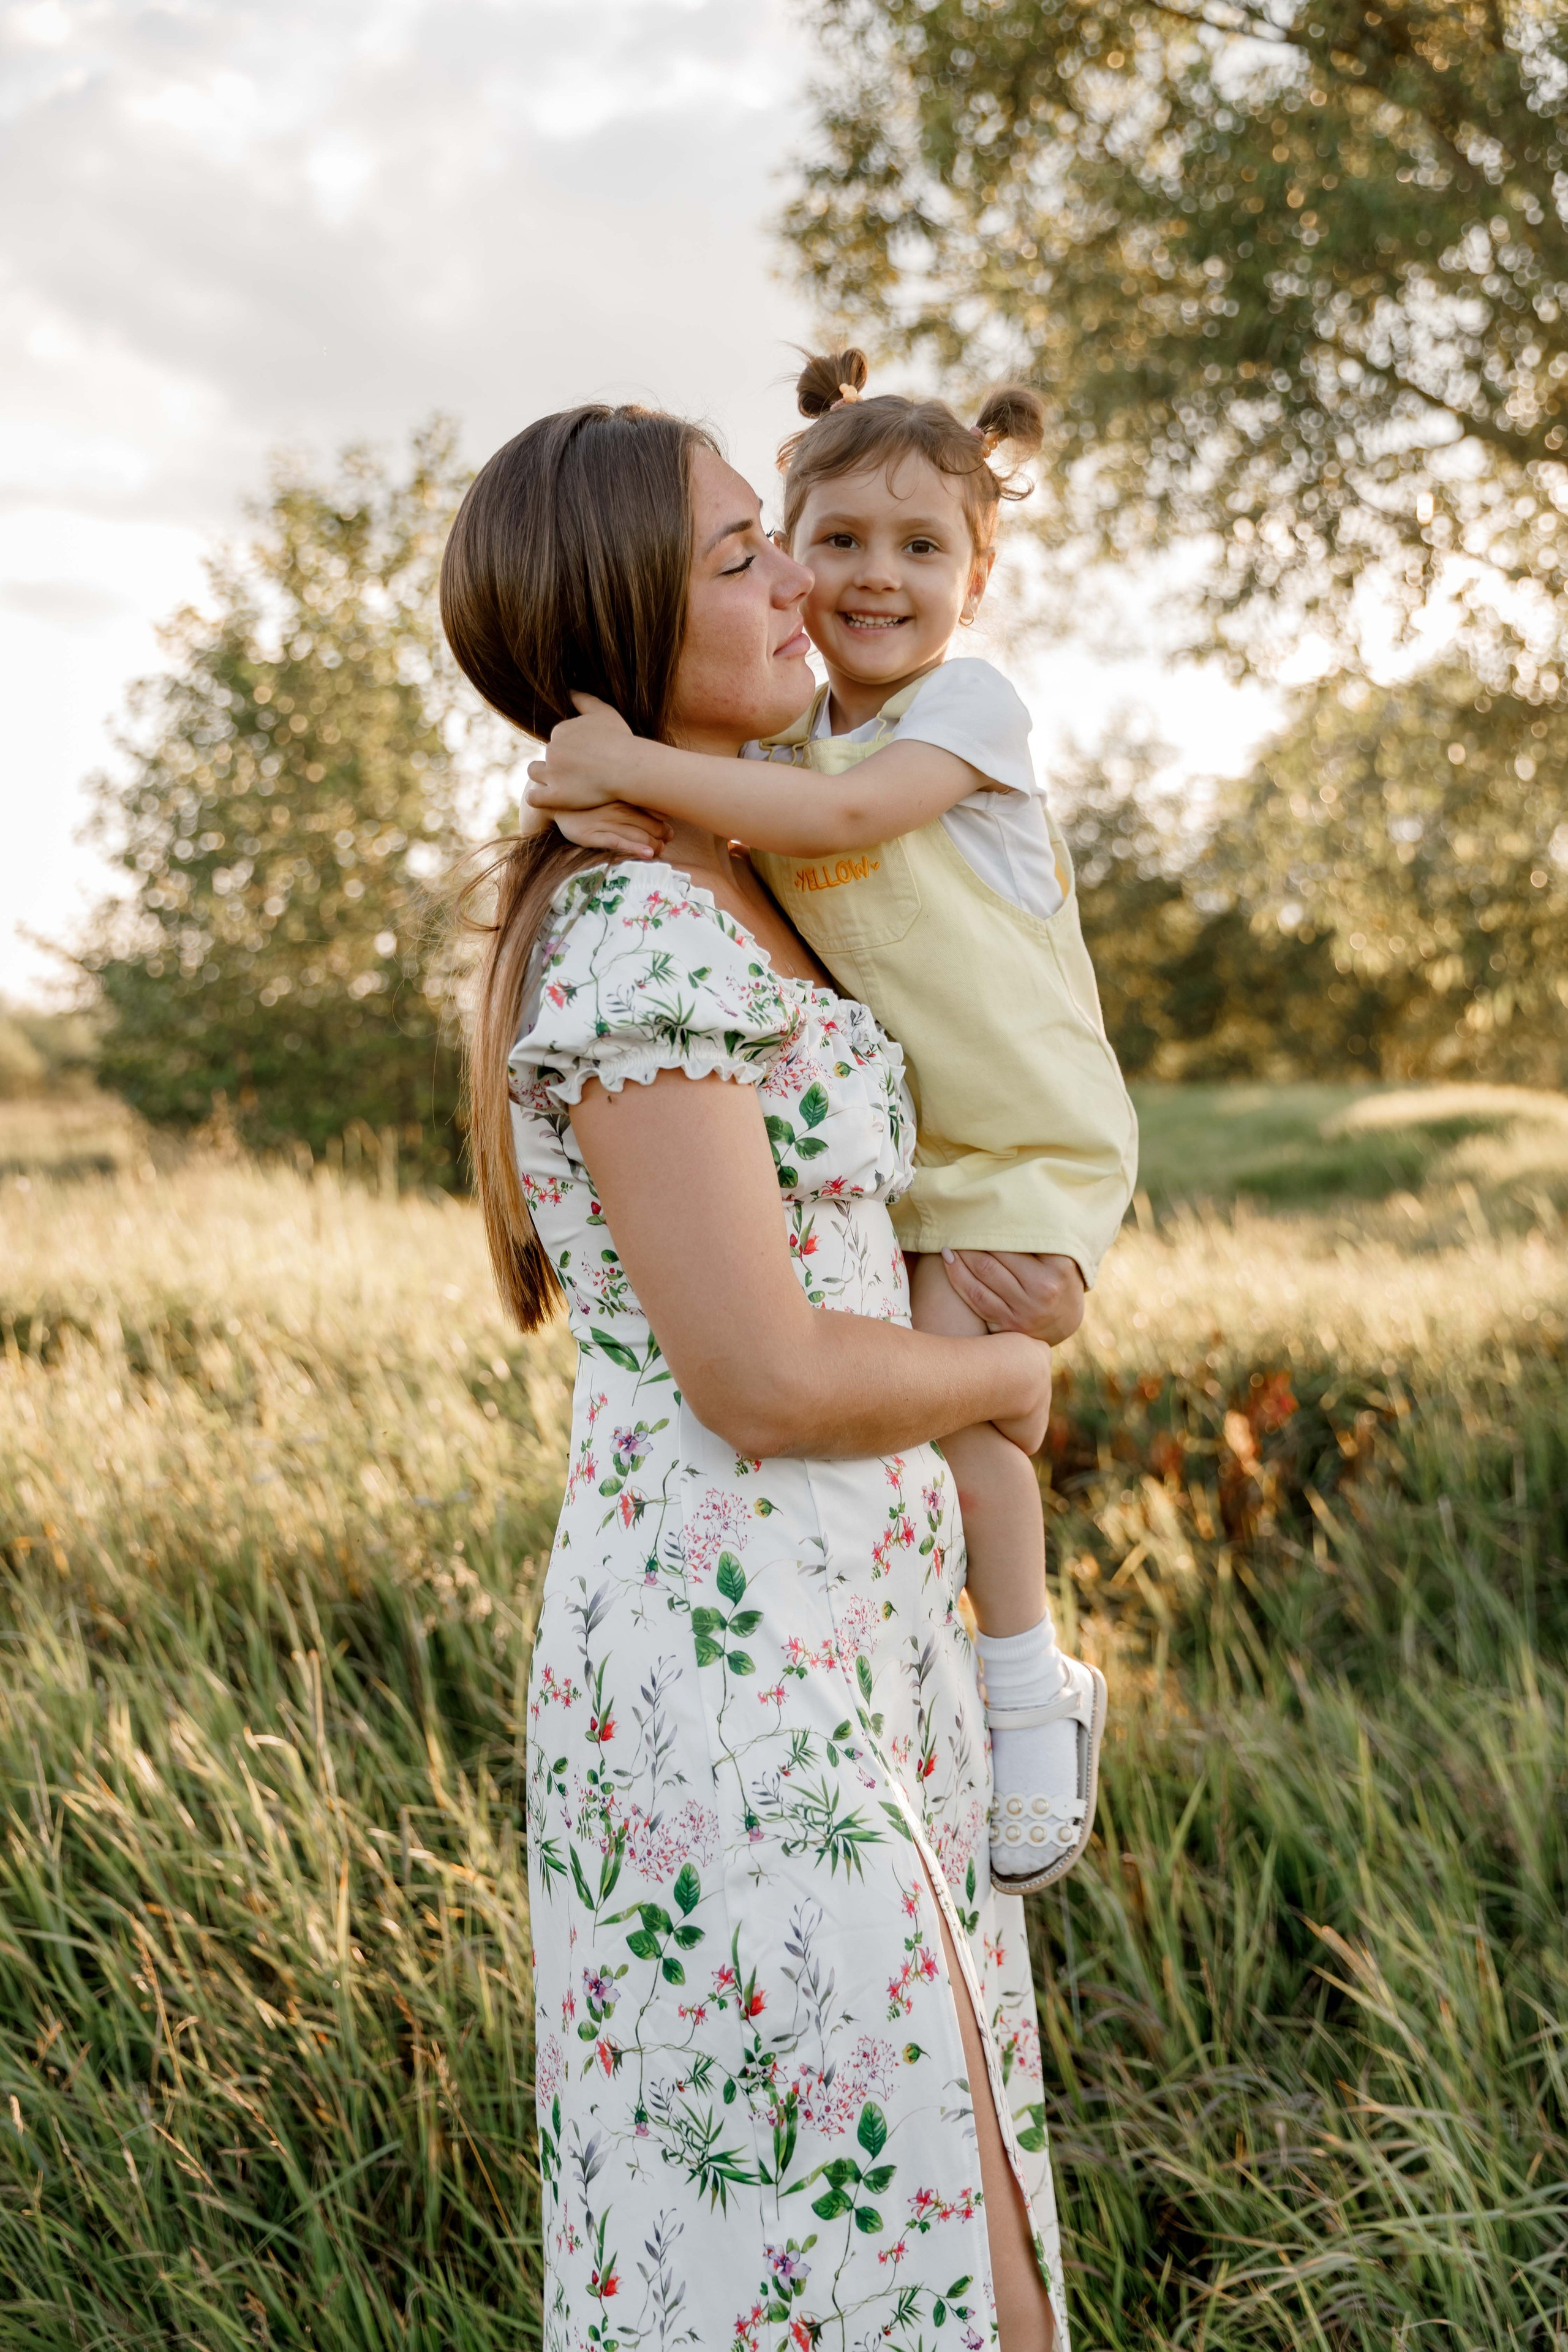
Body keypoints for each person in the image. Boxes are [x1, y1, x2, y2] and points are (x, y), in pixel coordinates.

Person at [443, 402, 1074, 2350]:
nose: (802, 578)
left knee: (956, 2261)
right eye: (743, 555)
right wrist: (990, 1383)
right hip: (737, 1700)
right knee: (866, 2277)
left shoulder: (739, 868)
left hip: (858, 1651)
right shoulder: (638, 927)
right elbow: (767, 1375)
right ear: (624, 615)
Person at [522, 349, 1138, 1898]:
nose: (862, 580)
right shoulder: (749, 804)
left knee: (972, 1433)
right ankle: (1022, 1690)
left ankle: (1025, 1688)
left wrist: (630, 772)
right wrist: (605, 799)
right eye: (824, 542)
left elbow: (847, 823)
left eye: (921, 548)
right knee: (972, 1428)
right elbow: (731, 830)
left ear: (976, 583)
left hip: (1022, 1155)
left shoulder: (960, 714)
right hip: (757, 1618)